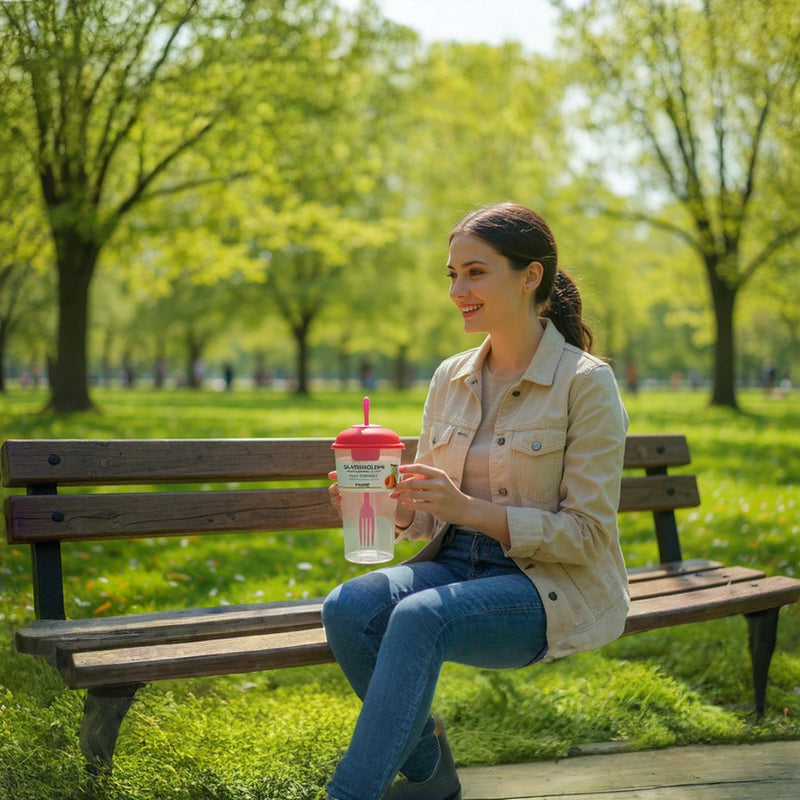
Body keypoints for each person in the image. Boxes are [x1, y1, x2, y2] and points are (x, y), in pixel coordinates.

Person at [323, 203, 630, 800]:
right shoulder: (450, 376)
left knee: (420, 617)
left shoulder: (585, 383)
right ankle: (428, 769)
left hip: (543, 584)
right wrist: (393, 507)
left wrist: (468, 509)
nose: (457, 291)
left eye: (475, 273)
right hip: (453, 566)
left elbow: (588, 536)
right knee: (349, 606)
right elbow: (429, 516)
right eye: (452, 275)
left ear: (531, 276)